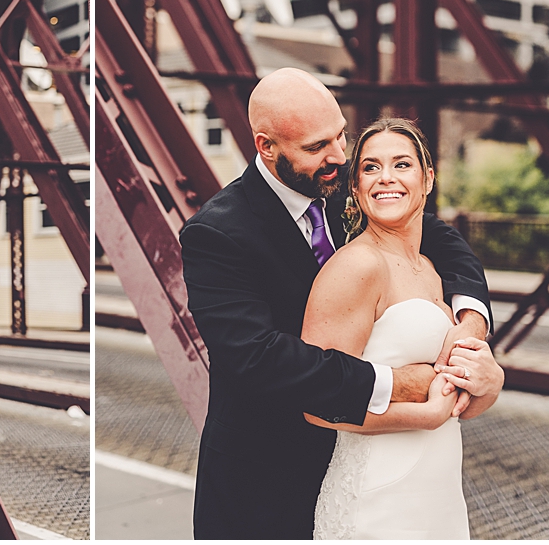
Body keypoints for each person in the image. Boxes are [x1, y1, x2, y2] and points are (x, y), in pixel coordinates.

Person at [180, 68, 497, 539]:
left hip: (367, 463)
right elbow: (259, 358)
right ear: (267, 147)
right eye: (315, 147)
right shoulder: (216, 234)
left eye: (341, 136)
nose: (339, 157)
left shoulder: (344, 186)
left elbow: (444, 243)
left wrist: (471, 325)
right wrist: (399, 383)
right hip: (266, 480)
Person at [303, 118, 504, 539]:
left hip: (438, 496)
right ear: (355, 188)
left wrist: (489, 382)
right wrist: (425, 416)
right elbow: (315, 403)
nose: (386, 178)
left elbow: (454, 402)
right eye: (371, 168)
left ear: (428, 178)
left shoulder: (432, 270)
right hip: (379, 501)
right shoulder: (358, 266)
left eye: (402, 164)